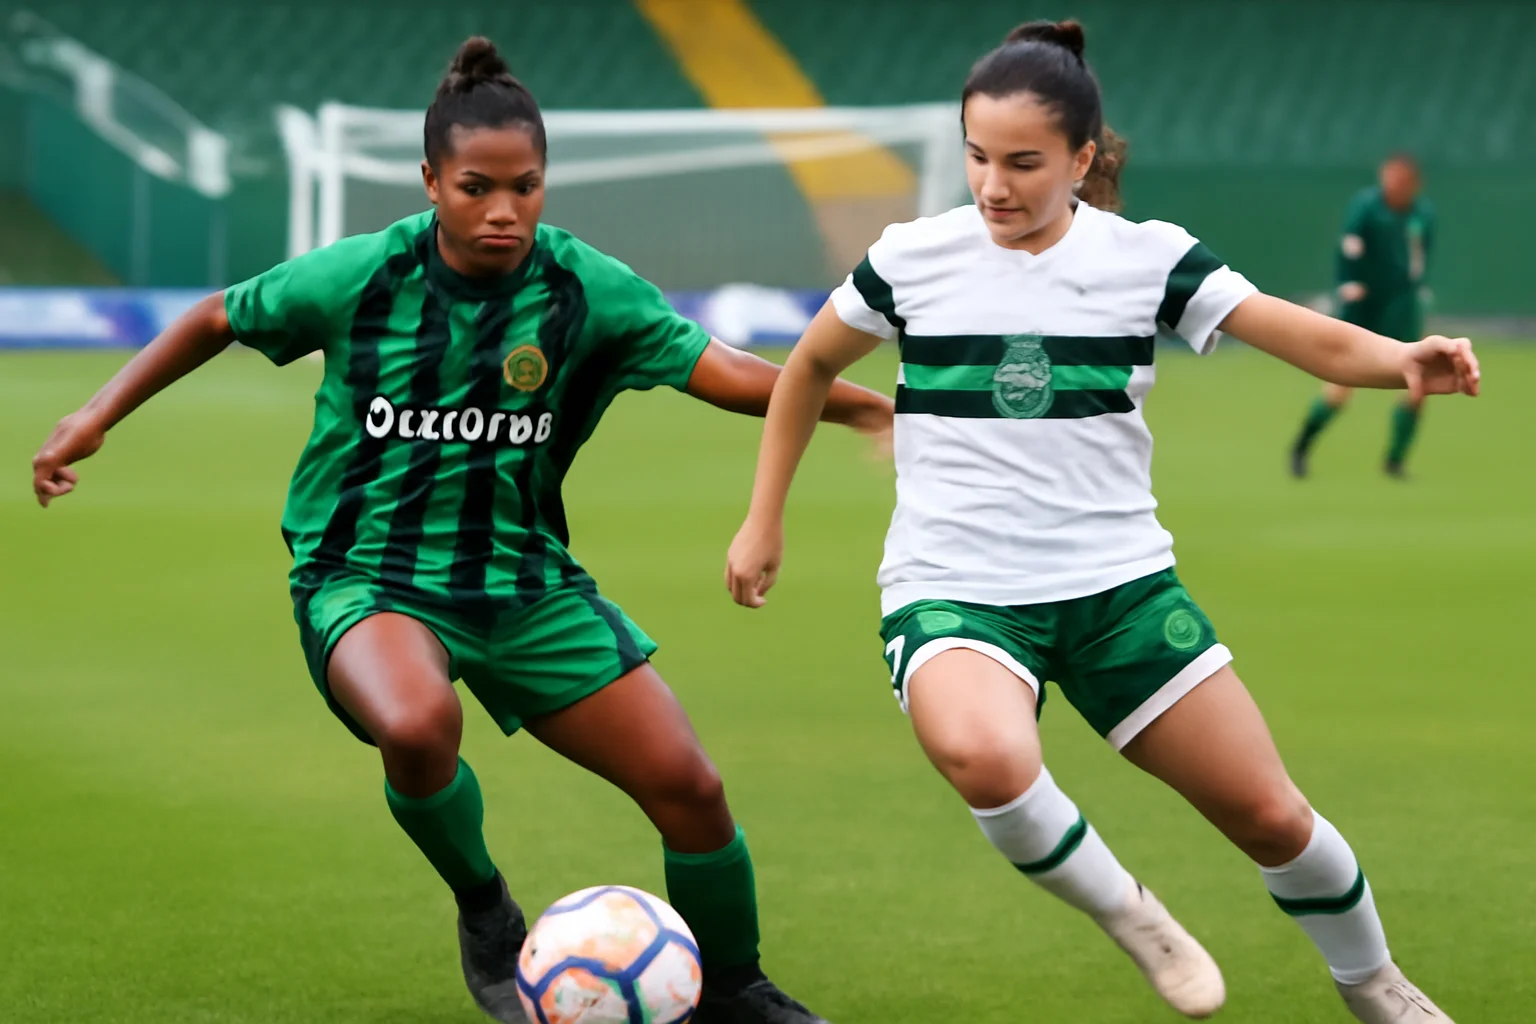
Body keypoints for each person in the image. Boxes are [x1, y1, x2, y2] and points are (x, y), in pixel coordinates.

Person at [31, 37, 891, 1024]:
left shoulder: (583, 288)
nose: (504, 210)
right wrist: (95, 413)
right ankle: (486, 907)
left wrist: (866, 406)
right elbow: (216, 318)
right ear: (432, 182)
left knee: (690, 787)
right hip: (367, 577)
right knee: (415, 723)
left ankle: (735, 986)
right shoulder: (365, 274)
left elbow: (723, 370)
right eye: (477, 188)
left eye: (526, 187)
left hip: (524, 583)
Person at [725, 20, 1476, 1024]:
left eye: (1023, 163)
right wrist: (762, 518)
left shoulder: (1146, 258)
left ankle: (1374, 981)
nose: (993, 185)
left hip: (1118, 590)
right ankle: (1132, 913)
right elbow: (810, 365)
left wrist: (1400, 359)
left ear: (1082, 159)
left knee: (1272, 813)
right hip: (955, 589)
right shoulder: (910, 256)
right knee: (987, 758)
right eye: (978, 157)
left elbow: (1299, 335)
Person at [1290, 154, 1436, 478]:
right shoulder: (1367, 206)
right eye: (1389, 176)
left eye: (1401, 179)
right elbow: (1349, 244)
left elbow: (1422, 255)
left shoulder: (1422, 214)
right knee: (1340, 386)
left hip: (1402, 304)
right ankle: (1301, 447)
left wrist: (1419, 288)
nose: (1393, 184)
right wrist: (1348, 282)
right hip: (1366, 303)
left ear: (1414, 183)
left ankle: (1395, 461)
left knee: (1417, 384)